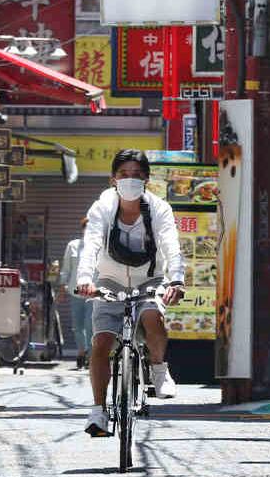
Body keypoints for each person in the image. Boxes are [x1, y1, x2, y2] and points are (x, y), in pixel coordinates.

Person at [75, 149, 185, 437]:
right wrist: (86, 279)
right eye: (124, 174)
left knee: (152, 318)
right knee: (101, 343)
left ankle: (159, 370)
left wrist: (177, 280)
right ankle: (98, 411)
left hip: (150, 279)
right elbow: (92, 244)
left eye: (137, 175)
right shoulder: (102, 207)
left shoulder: (160, 208)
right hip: (108, 281)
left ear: (147, 179)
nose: (130, 180)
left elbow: (171, 244)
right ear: (113, 179)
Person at [60, 218, 92, 369]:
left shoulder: (101, 247)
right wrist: (62, 286)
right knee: (77, 326)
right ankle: (82, 352)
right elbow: (66, 269)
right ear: (82, 229)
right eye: (86, 227)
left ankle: (91, 356)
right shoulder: (72, 246)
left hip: (93, 294)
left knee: (90, 325)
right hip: (75, 291)